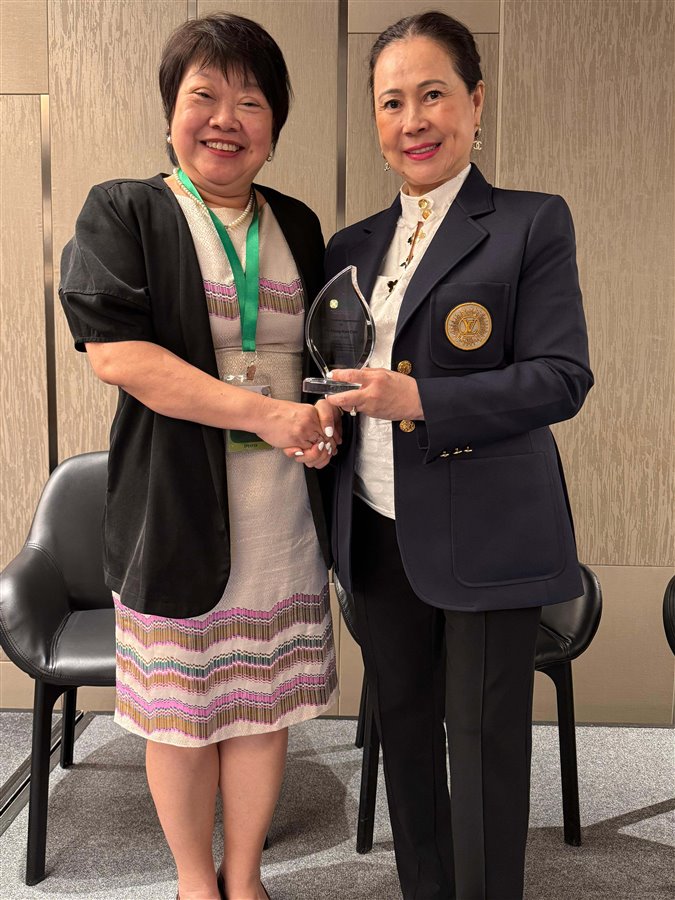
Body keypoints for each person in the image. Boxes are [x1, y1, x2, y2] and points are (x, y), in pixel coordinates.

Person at [59, 13, 340, 900]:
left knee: (261, 709)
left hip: (283, 520)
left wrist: (320, 419)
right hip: (173, 514)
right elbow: (121, 358)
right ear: (170, 112)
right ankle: (192, 882)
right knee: (181, 720)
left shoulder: (296, 223)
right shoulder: (126, 211)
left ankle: (244, 876)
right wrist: (266, 413)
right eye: (204, 96)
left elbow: (322, 357)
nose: (226, 119)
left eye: (250, 102)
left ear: (274, 124)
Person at [323, 11, 593, 900]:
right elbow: (335, 373)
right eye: (390, 102)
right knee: (403, 735)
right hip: (375, 533)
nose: (413, 121)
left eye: (432, 94)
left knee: (480, 748)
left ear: (475, 103)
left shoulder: (527, 224)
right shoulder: (350, 247)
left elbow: (559, 377)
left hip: (485, 535)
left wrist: (421, 400)